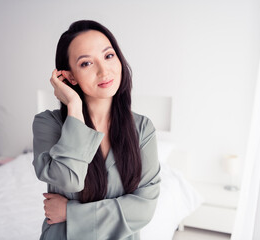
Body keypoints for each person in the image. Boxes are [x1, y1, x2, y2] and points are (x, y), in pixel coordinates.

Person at [32, 20, 160, 240]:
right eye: (86, 63)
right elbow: (70, 180)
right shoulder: (48, 124)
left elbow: (145, 208)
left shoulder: (142, 129)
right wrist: (74, 106)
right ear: (70, 76)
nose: (103, 71)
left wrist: (71, 213)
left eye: (108, 56)